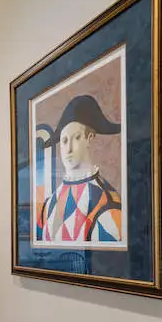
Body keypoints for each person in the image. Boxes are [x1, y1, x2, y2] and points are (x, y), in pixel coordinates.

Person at [38, 94, 123, 243]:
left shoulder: (107, 201)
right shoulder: (49, 204)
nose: (69, 148)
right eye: (64, 141)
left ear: (89, 138)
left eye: (76, 138)